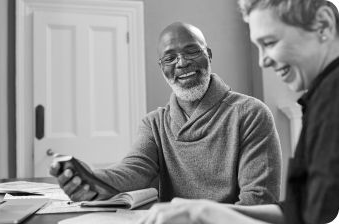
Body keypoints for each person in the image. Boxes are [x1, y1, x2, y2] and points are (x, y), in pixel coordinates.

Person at [137, 0, 339, 224]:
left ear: (324, 24)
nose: (262, 61)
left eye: (270, 42)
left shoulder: (331, 97)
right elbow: (303, 211)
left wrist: (206, 213)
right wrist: (201, 209)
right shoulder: (322, 96)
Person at [49, 22, 282, 206]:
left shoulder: (251, 113)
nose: (181, 63)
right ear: (162, 68)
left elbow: (257, 202)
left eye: (191, 51)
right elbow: (134, 170)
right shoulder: (154, 124)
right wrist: (90, 177)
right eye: (170, 58)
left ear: (208, 55)